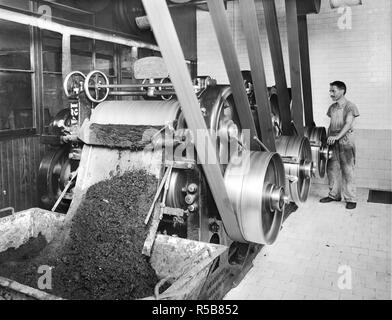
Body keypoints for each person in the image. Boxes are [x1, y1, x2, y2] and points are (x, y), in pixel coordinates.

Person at [319, 81, 360, 209]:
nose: (330, 93)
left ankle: (351, 199)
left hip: (345, 142)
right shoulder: (332, 108)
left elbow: (348, 124)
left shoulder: (350, 106)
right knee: (331, 169)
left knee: (348, 170)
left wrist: (337, 137)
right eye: (330, 91)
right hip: (332, 142)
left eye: (333, 91)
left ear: (342, 91)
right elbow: (331, 125)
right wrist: (326, 138)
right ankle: (334, 195)